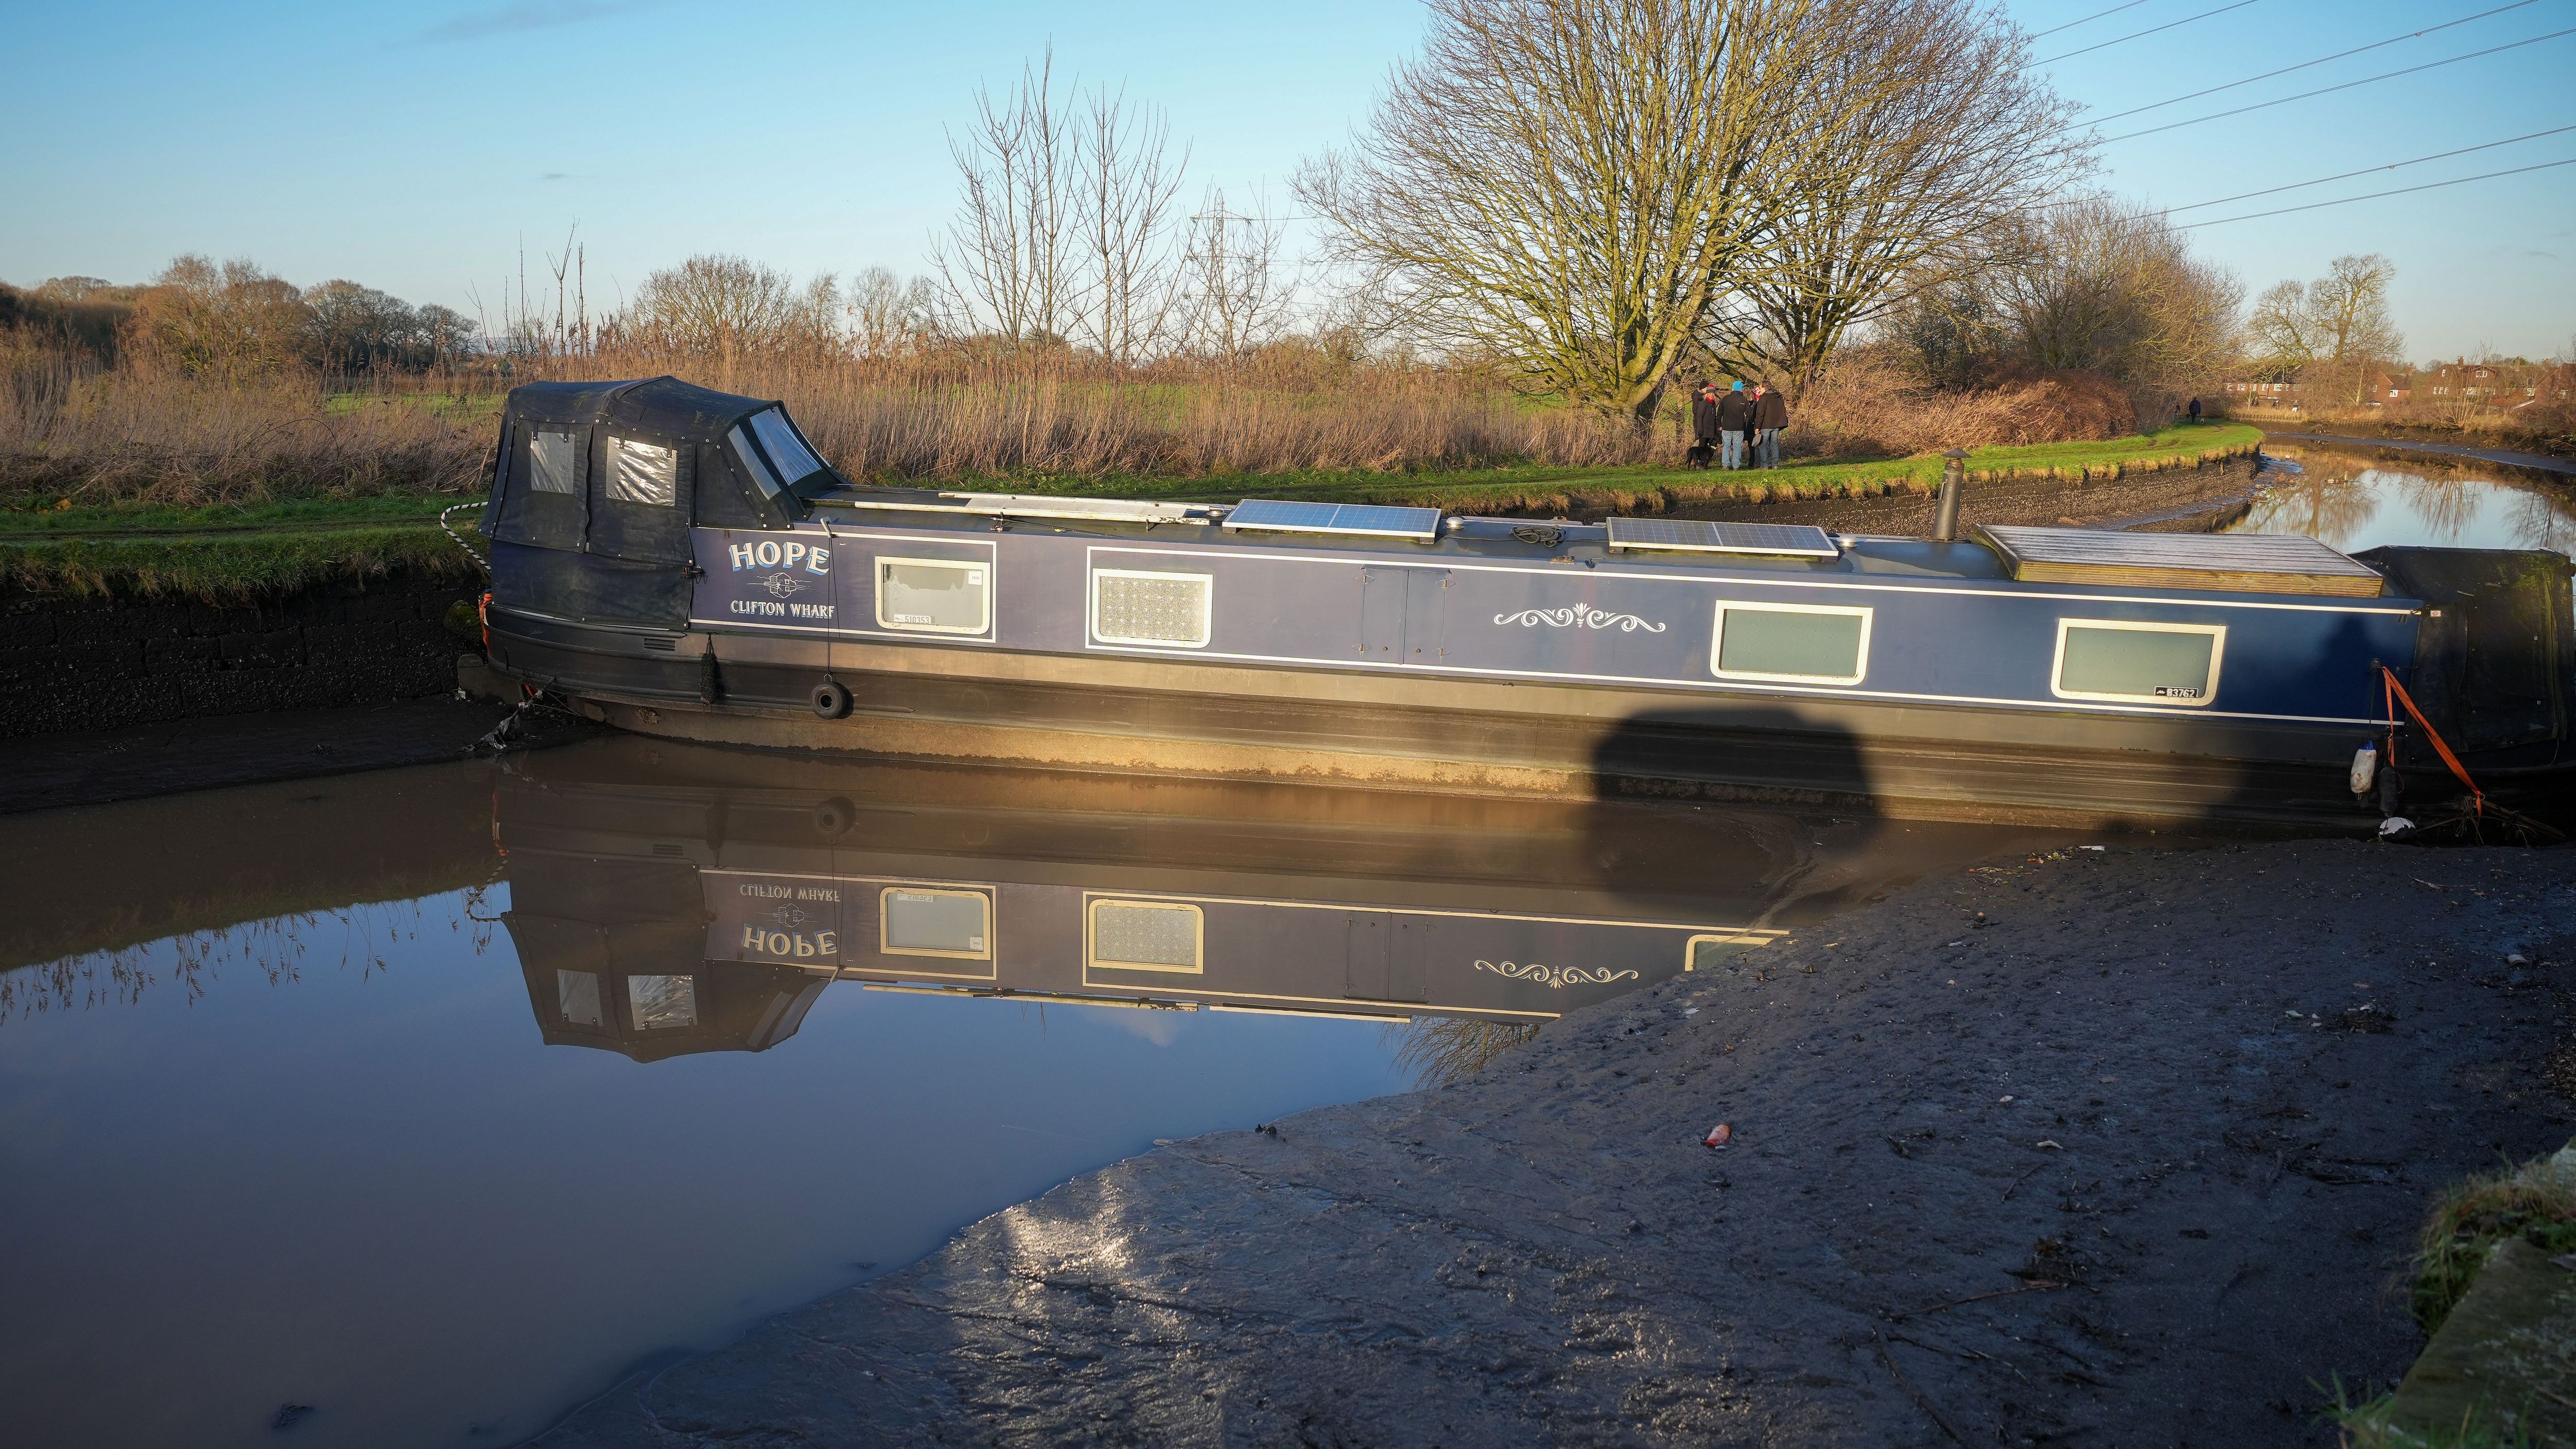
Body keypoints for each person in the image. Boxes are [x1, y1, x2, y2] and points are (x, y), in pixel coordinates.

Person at [1716, 379, 1753, 469]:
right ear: (1742, 389)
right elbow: (1750, 415)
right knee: (1737, 447)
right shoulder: (1744, 400)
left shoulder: (1725, 399)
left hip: (1726, 427)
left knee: (1726, 446)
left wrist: (1719, 425)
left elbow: (1719, 413)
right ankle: (1736, 466)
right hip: (1739, 428)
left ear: (1733, 388)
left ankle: (1725, 465)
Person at [1752, 382, 1788, 469]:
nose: (1759, 390)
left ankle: (1764, 465)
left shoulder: (1764, 398)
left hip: (1766, 425)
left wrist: (1757, 427)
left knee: (1763, 445)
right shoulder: (1779, 397)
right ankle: (1775, 465)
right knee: (1774, 445)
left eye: (1760, 388)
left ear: (1765, 388)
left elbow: (1760, 413)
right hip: (1777, 425)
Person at [1689, 381, 1720, 468]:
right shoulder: (1703, 403)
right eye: (1710, 394)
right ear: (1707, 394)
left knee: (1708, 449)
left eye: (1713, 394)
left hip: (1711, 430)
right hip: (1704, 430)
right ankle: (1697, 463)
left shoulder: (1713, 404)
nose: (1712, 395)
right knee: (1701, 447)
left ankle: (1704, 464)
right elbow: (1699, 417)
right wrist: (1700, 430)